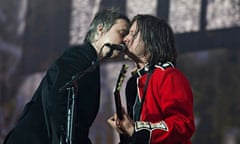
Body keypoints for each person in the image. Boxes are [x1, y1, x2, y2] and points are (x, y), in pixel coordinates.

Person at [3, 8, 130, 144]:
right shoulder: (80, 56)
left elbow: (77, 125)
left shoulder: (91, 64)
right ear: (100, 29)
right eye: (122, 33)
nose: (125, 40)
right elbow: (58, 97)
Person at [107, 14, 195, 144]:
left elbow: (183, 125)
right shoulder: (133, 82)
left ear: (150, 40)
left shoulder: (169, 76)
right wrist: (125, 129)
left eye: (133, 33)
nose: (125, 39)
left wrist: (135, 130)